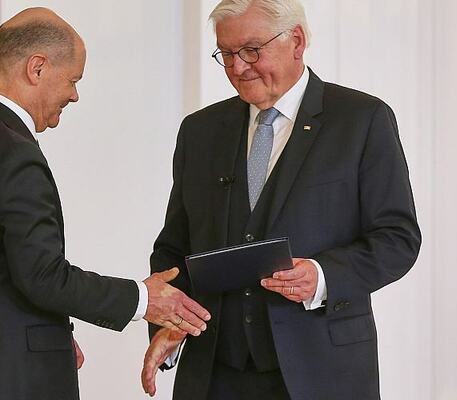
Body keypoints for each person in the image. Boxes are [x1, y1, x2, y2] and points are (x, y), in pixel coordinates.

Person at [0, 8, 211, 400]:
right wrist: (142, 298)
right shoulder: (14, 152)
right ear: (37, 68)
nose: (74, 94)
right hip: (12, 382)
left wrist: (54, 331)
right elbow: (42, 275)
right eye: (72, 79)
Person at [141, 0, 421, 399]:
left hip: (322, 370)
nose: (238, 67)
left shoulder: (362, 119)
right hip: (214, 373)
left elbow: (398, 239)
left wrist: (322, 276)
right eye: (227, 54)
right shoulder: (199, 131)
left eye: (252, 50)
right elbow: (174, 248)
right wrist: (169, 324)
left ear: (297, 41)